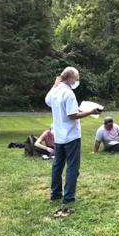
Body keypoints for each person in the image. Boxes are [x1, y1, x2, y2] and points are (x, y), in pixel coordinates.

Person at [45, 66, 101, 214]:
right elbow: (72, 115)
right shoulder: (68, 93)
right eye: (76, 79)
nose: (77, 81)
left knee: (57, 165)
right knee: (72, 167)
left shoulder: (55, 90)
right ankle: (69, 197)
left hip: (59, 136)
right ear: (69, 78)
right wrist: (90, 112)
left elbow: (47, 100)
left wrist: (54, 83)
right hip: (71, 136)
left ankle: (55, 193)